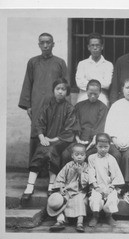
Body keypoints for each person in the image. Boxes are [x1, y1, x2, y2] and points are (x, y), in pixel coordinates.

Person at [21, 78, 76, 202]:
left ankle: (52, 184)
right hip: (47, 138)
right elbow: (40, 123)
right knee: (41, 148)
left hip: (62, 140)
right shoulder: (47, 105)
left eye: (63, 89)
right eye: (58, 89)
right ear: (53, 90)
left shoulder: (70, 108)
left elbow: (69, 129)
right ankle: (30, 185)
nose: (60, 92)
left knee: (52, 150)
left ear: (67, 92)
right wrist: (41, 137)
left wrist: (53, 139)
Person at [18, 33, 68, 162]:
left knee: (54, 132)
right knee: (37, 132)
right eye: (42, 43)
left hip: (55, 104)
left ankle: (51, 167)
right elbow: (27, 83)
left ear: (53, 44)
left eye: (48, 42)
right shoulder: (33, 62)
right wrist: (28, 105)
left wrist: (63, 104)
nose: (45, 45)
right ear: (39, 44)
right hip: (37, 103)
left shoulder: (60, 62)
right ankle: (35, 167)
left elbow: (65, 84)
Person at [62, 79, 108, 165]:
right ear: (86, 91)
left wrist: (91, 142)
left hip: (93, 142)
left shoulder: (103, 108)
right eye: (90, 93)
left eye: (96, 94)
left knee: (89, 155)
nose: (93, 96)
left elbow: (100, 127)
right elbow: (75, 123)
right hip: (78, 140)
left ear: (100, 92)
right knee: (66, 154)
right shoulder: (79, 106)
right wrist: (78, 138)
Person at [47, 143, 89, 233]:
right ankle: (60, 221)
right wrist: (61, 187)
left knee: (79, 201)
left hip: (79, 191)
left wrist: (80, 173)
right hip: (67, 190)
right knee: (58, 201)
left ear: (85, 156)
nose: (79, 157)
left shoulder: (86, 166)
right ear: (72, 156)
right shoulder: (68, 166)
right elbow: (60, 178)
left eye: (82, 155)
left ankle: (80, 223)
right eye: (76, 155)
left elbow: (87, 182)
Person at [88, 133, 125, 227]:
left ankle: (109, 216)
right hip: (97, 186)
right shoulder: (92, 158)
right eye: (100, 146)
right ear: (96, 145)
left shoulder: (112, 159)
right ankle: (95, 216)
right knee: (95, 199)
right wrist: (96, 187)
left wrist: (111, 188)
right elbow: (91, 173)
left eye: (106, 147)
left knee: (112, 198)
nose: (103, 149)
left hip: (109, 186)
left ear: (110, 146)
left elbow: (116, 175)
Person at [75, 32, 113, 106]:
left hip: (102, 98)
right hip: (84, 97)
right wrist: (98, 83)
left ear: (102, 46)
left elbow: (107, 84)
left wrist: (89, 81)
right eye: (92, 45)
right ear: (88, 47)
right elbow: (79, 83)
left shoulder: (108, 65)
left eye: (97, 45)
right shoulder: (82, 64)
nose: (95, 48)